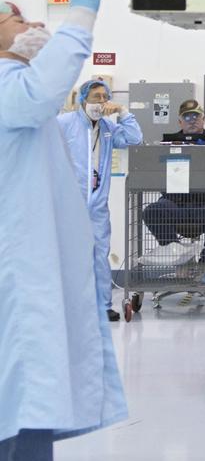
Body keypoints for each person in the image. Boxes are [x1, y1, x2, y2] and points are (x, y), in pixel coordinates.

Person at [0, 0, 127, 461]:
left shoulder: (21, 97)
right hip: (15, 336)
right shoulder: (15, 92)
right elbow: (49, 83)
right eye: (16, 17)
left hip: (24, 325)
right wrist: (78, 10)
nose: (29, 25)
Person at [58, 78, 143, 321]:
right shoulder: (64, 123)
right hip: (69, 204)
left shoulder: (108, 128)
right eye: (96, 97)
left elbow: (134, 139)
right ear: (83, 99)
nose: (101, 102)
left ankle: (103, 305)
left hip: (96, 205)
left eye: (105, 98)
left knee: (99, 255)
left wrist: (124, 112)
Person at [142, 100, 205, 265]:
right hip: (175, 204)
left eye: (196, 116)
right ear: (179, 121)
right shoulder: (167, 144)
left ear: (204, 119)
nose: (192, 120)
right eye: (187, 117)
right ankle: (181, 260)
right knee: (152, 211)